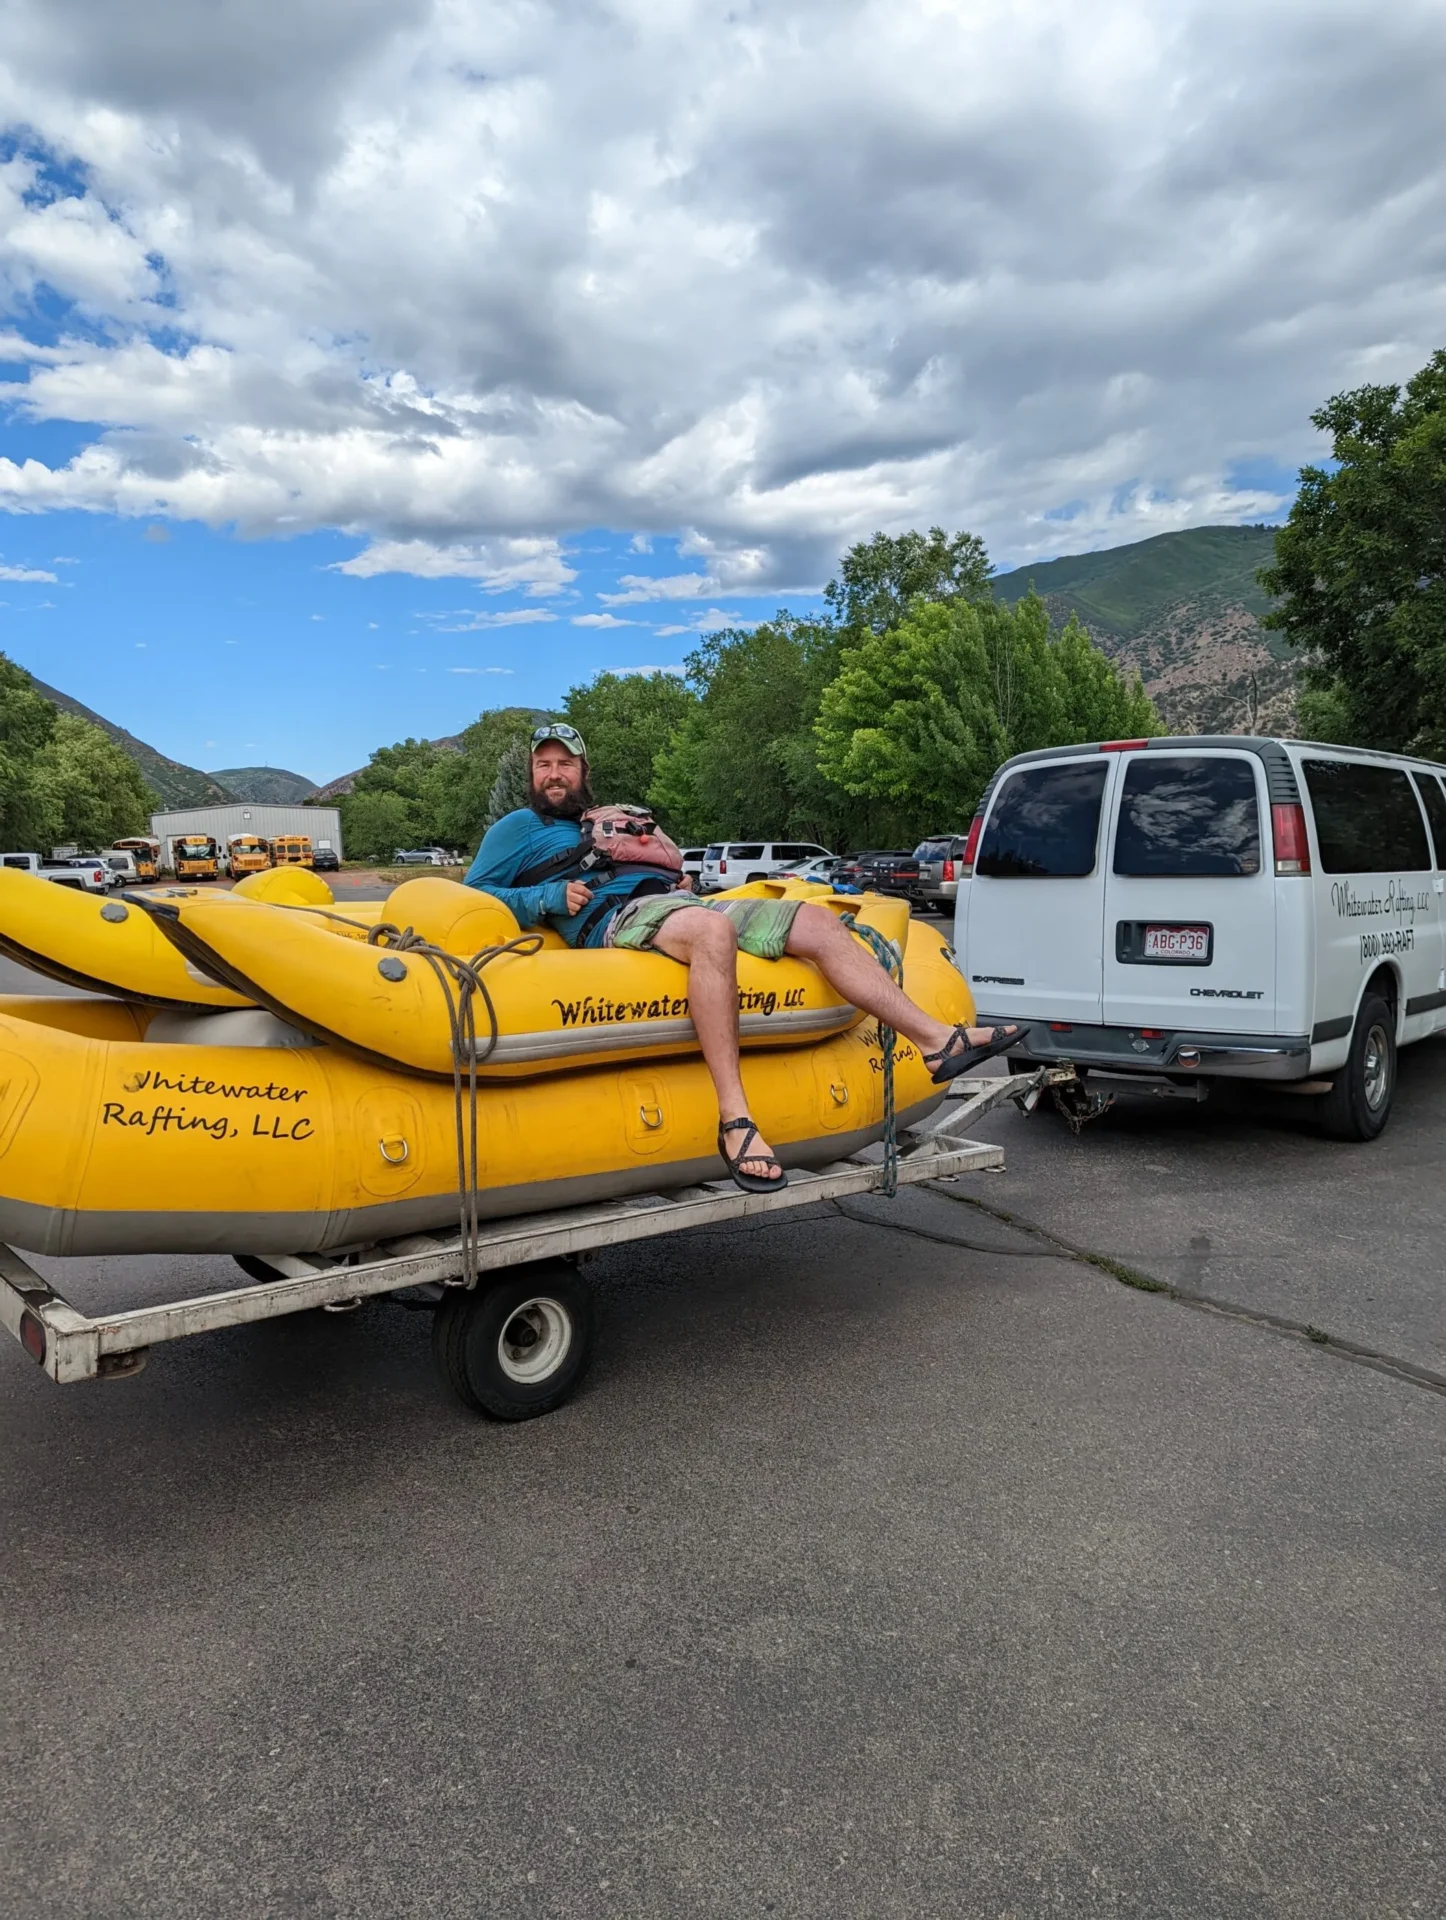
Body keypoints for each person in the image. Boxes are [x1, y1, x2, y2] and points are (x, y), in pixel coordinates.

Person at [466, 724, 1015, 1191]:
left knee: (819, 922)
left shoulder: (607, 819)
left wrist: (672, 876)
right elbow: (476, 894)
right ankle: (736, 1120)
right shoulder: (517, 828)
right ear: (532, 775)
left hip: (675, 901)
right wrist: (544, 897)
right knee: (710, 931)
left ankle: (936, 1042)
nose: (555, 774)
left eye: (566, 763)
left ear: (584, 772)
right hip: (614, 920)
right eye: (544, 765)